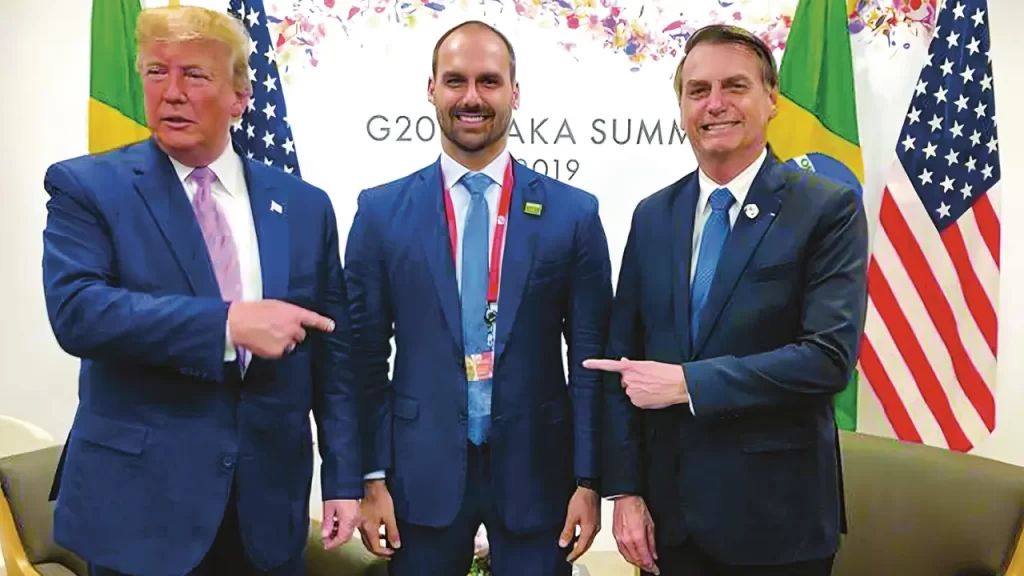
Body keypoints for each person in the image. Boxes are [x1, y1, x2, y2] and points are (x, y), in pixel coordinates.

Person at [41, 6, 361, 575]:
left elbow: (333, 356)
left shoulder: (304, 206)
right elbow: (79, 313)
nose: (172, 92)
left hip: (266, 510)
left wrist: (343, 479)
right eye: (156, 72)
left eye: (194, 74)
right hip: (139, 511)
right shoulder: (87, 187)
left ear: (240, 97)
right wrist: (226, 324)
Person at [585, 24, 869, 576]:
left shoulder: (826, 209)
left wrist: (688, 383)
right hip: (670, 525)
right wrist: (625, 492)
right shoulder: (653, 215)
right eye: (698, 90)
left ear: (771, 99)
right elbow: (622, 364)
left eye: (735, 86)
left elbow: (828, 358)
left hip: (777, 527)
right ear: (682, 108)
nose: (715, 104)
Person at [345, 20, 613, 576]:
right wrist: (369, 477)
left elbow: (591, 362)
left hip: (540, 476)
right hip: (417, 476)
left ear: (515, 92)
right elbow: (363, 358)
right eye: (455, 81)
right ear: (431, 89)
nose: (471, 97)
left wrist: (589, 481)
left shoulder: (574, 214)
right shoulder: (380, 213)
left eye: (489, 81)